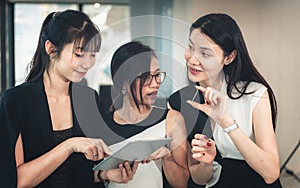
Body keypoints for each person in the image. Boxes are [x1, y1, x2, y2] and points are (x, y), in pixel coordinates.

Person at [0, 10, 138, 188]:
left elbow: (81, 172)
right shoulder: (16, 101)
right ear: (51, 49)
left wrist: (105, 174)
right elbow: (15, 181)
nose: (88, 64)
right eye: (79, 54)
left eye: (93, 54)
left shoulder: (89, 99)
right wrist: (70, 145)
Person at [170, 13, 282, 188]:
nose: (192, 59)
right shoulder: (183, 101)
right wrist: (206, 163)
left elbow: (271, 173)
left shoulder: (255, 94)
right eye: (191, 48)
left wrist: (225, 122)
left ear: (229, 57)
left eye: (204, 53)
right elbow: (198, 178)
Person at [98, 41, 189, 188]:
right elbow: (84, 176)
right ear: (123, 82)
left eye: (157, 74)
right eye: (147, 76)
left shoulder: (171, 119)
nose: (156, 83)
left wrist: (167, 156)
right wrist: (104, 174)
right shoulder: (102, 124)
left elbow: (182, 184)